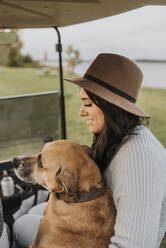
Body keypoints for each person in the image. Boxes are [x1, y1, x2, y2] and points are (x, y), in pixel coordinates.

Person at [13, 53, 166, 248]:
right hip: (93, 222)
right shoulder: (117, 138)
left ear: (111, 107)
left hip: (97, 239)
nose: (81, 111)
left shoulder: (138, 159)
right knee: (35, 212)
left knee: (21, 225)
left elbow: (134, 244)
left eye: (87, 104)